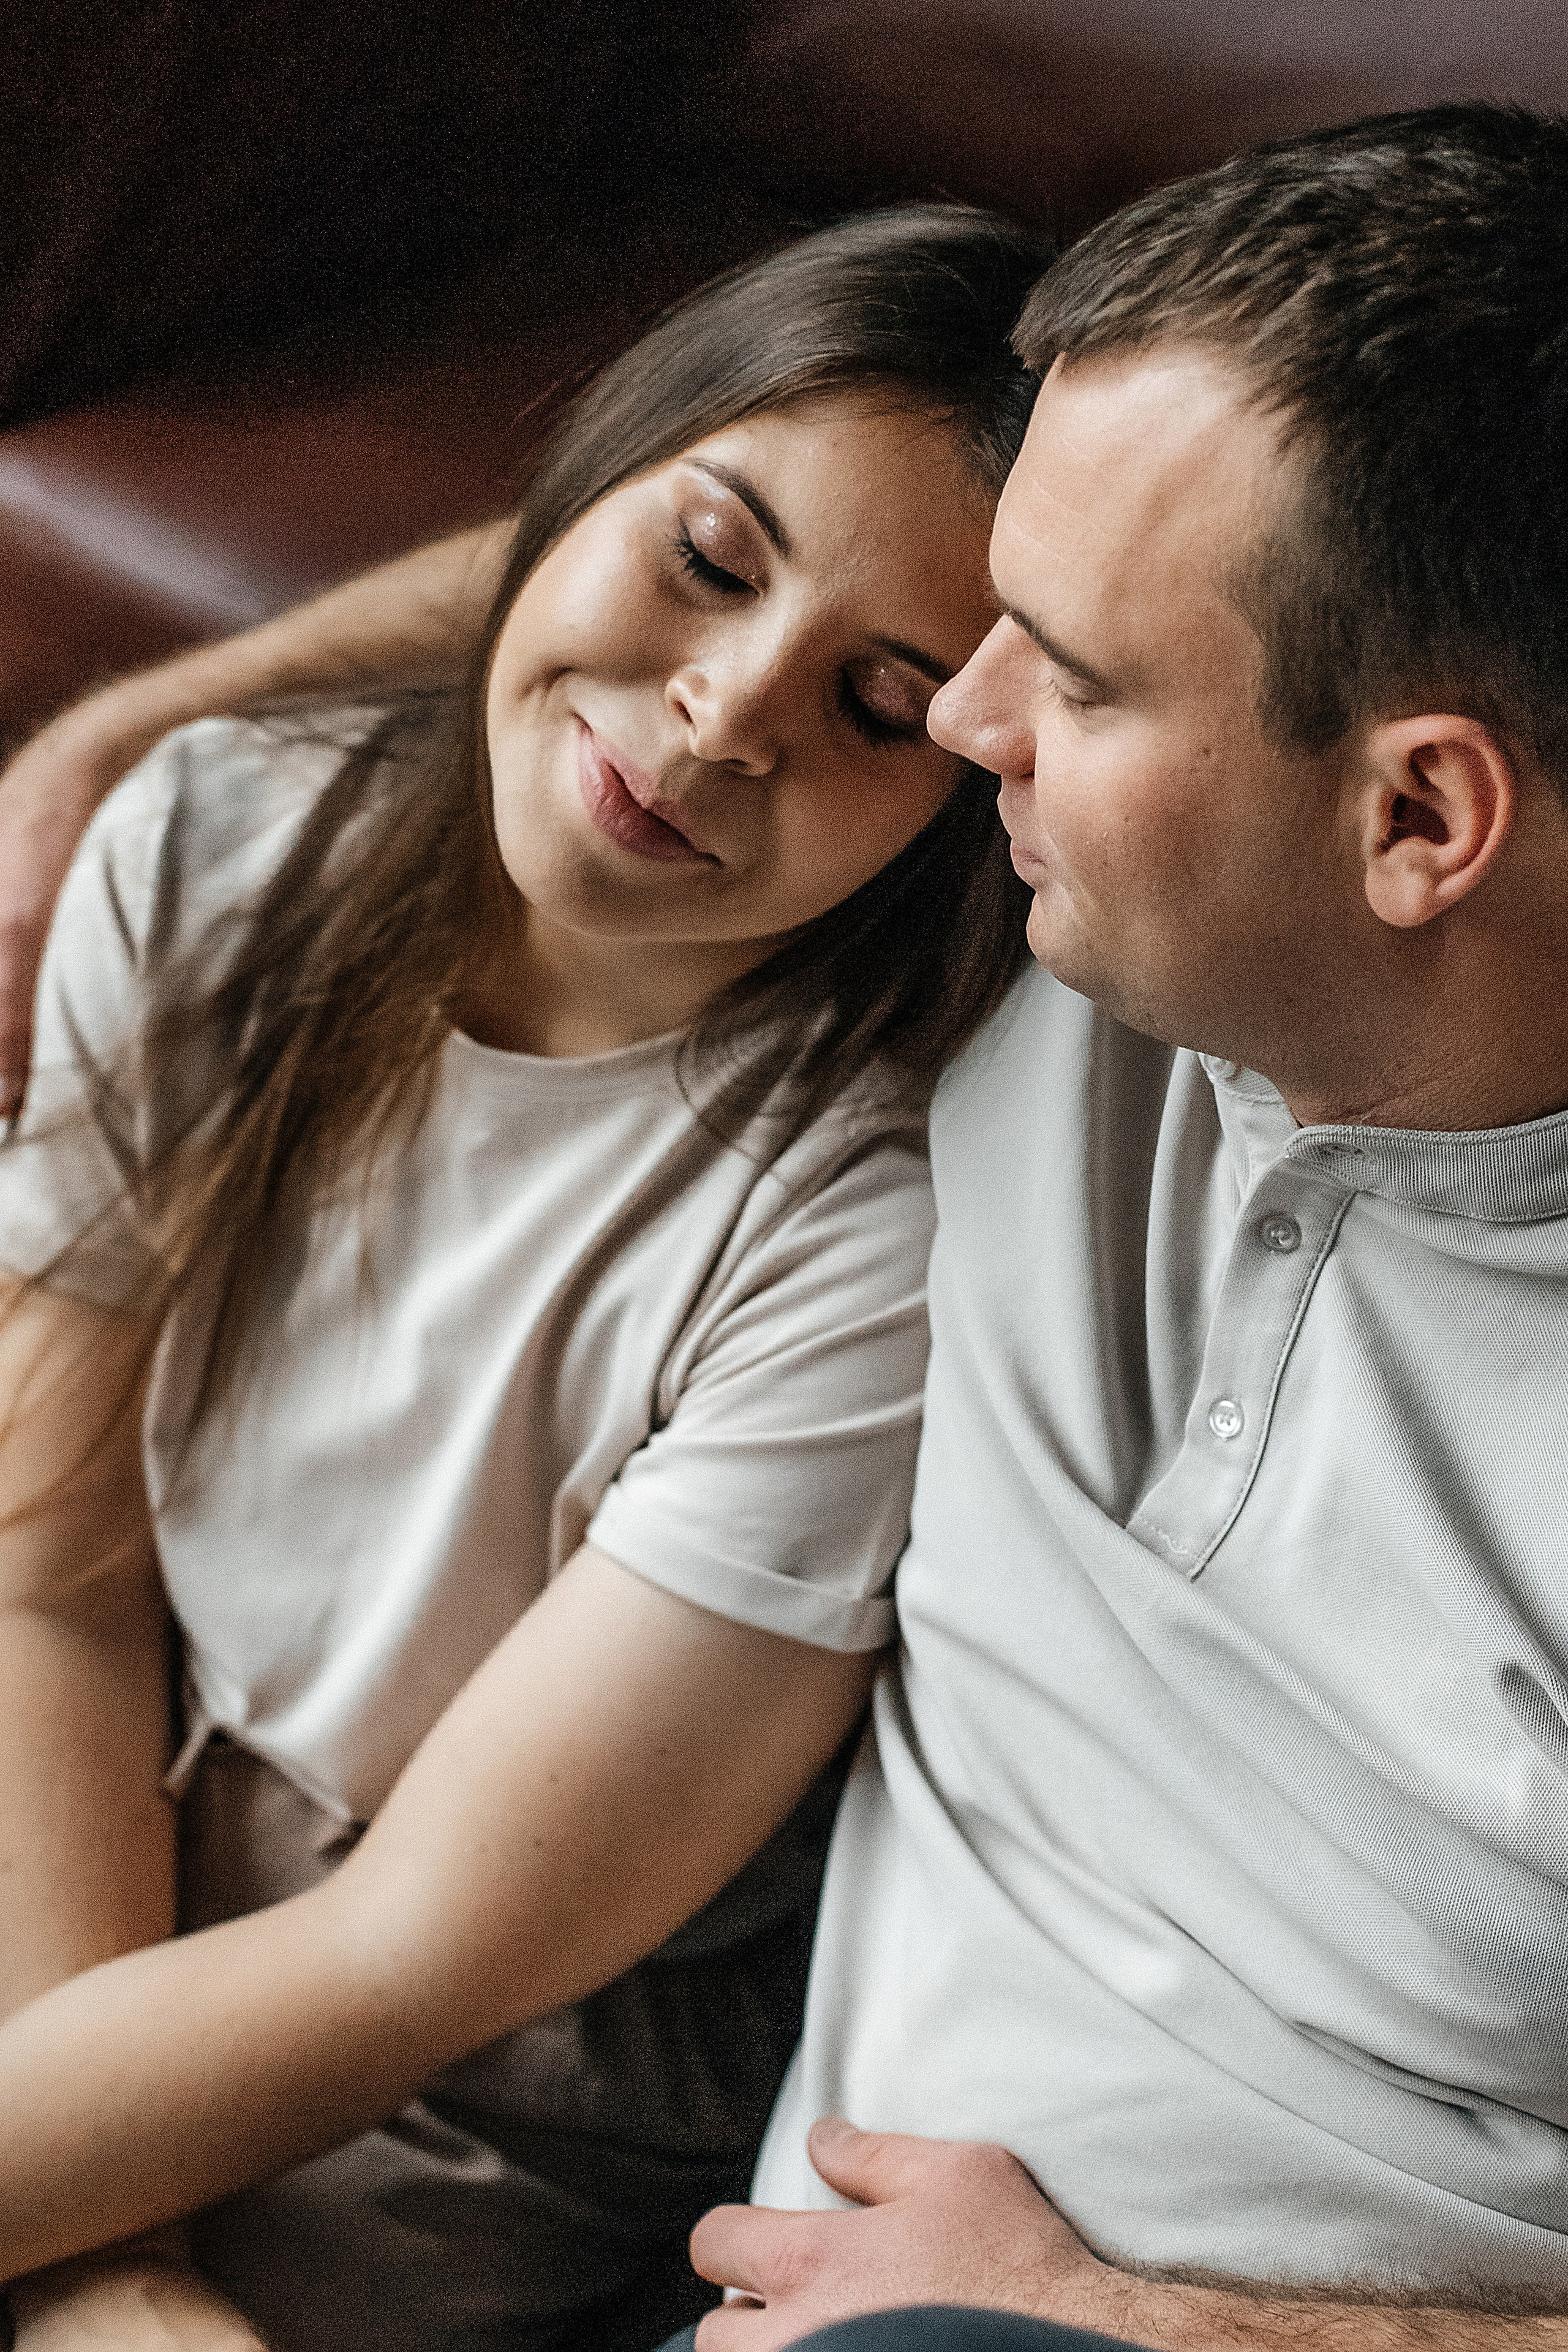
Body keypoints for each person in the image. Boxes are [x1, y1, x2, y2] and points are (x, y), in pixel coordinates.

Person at [6, 94, 1568, 2352]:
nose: (971, 727)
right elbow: (752, 532)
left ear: (1420, 813)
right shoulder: (1070, 962)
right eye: (972, 660)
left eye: (1066, 679)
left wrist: (1170, 2327)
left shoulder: (962, 1043)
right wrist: (141, 719)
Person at [0, 204, 1047, 2352]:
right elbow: (51, 1582)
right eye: (711, 558)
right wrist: (96, 2263)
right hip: (116, 1781)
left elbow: (423, 1950)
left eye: (879, 708)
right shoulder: (216, 833)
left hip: (494, 2050)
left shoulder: (866, 1223)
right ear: (582, 480)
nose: (723, 712)